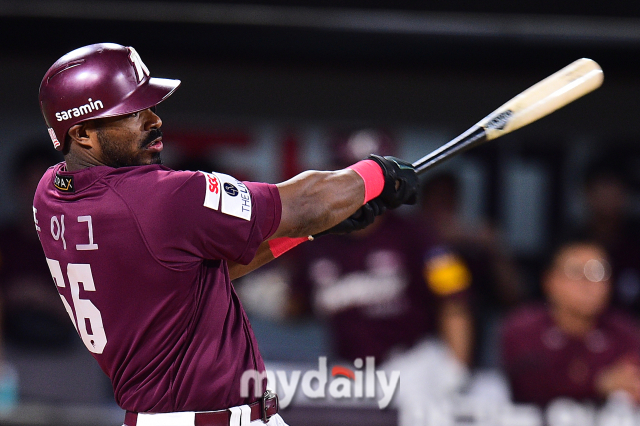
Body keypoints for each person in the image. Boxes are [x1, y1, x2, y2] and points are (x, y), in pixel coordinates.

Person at [34, 43, 418, 425]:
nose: (154, 120)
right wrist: (377, 174)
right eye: (133, 112)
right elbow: (305, 202)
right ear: (83, 133)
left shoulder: (50, 195)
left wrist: (310, 229)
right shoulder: (159, 197)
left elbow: (198, 272)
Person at [501, 239, 640, 407]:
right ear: (550, 280)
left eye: (598, 272)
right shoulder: (523, 329)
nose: (588, 283)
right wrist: (599, 384)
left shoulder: (625, 332)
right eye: (575, 272)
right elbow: (529, 387)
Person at [420, 171, 525, 366]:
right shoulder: (408, 241)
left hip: (469, 349)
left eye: (449, 199)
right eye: (436, 198)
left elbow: (513, 296)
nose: (442, 206)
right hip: (413, 349)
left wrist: (495, 246)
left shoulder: (472, 245)